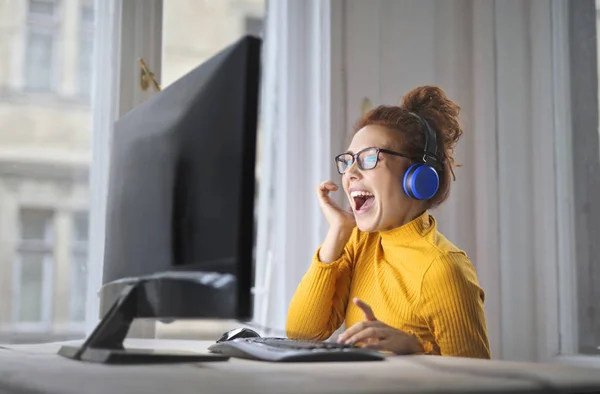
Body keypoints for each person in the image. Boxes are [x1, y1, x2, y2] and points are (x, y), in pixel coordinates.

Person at [286, 85, 491, 358]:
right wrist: (338, 231)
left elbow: (478, 382)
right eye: (348, 162)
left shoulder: (443, 269)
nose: (350, 174)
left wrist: (415, 349)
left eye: (370, 158)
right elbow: (301, 333)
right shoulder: (360, 241)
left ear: (418, 177)